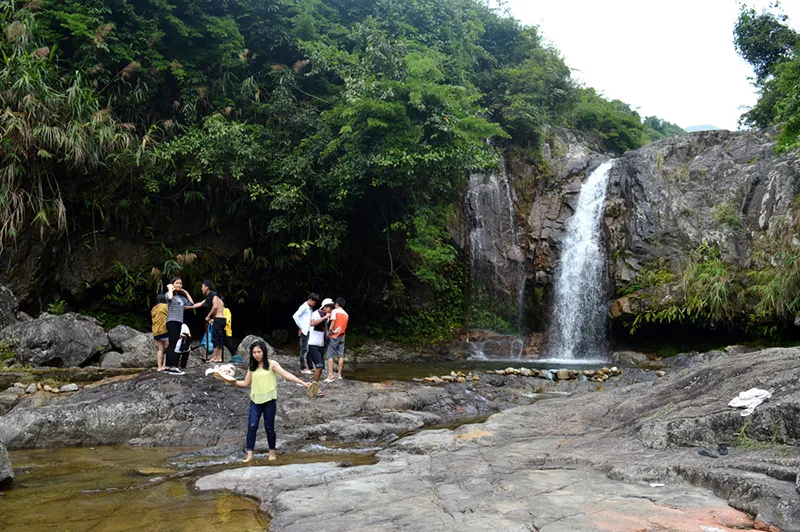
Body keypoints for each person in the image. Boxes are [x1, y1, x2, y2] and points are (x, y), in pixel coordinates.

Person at [227, 340, 310, 463]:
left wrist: (303, 383)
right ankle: (250, 454)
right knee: (252, 426)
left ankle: (272, 452)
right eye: (254, 352)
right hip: (255, 400)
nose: (256, 354)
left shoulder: (272, 364)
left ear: (264, 352)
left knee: (269, 427)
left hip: (269, 401)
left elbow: (286, 374)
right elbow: (245, 383)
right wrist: (231, 381)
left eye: (259, 352)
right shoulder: (252, 367)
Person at [188, 280, 226, 363]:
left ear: (207, 287)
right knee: (219, 338)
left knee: (216, 338)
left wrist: (208, 316)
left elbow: (215, 306)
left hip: (219, 319)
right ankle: (218, 357)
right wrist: (187, 307)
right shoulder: (211, 296)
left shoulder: (213, 295)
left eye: (202, 287)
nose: (201, 289)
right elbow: (200, 304)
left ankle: (216, 357)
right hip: (220, 319)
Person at [165, 277, 194, 375]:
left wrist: (186, 293)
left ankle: (168, 366)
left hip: (179, 322)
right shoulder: (169, 295)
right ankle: (172, 366)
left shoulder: (181, 298)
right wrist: (170, 288)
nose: (179, 285)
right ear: (173, 284)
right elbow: (169, 298)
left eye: (181, 283)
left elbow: (191, 304)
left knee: (172, 343)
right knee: (173, 344)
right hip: (172, 321)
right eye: (177, 283)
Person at [307, 298, 334, 397]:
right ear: (325, 307)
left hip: (321, 344)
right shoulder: (316, 313)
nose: (330, 311)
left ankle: (314, 385)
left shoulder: (326, 317)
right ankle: (314, 389)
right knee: (319, 366)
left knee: (320, 367)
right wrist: (325, 317)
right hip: (313, 344)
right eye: (329, 308)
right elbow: (312, 323)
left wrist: (330, 332)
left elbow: (324, 330)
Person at [292, 293, 320, 374]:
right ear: (310, 300)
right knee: (304, 350)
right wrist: (301, 327)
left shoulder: (309, 307)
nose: (314, 305)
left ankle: (310, 366)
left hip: (308, 330)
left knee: (309, 349)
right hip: (305, 331)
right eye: (314, 303)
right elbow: (295, 316)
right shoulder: (304, 307)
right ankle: (303, 368)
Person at [324, 297, 349, 382]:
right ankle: (339, 375)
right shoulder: (346, 314)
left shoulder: (335, 311)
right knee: (340, 355)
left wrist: (331, 331)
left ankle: (330, 375)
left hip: (335, 336)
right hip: (342, 336)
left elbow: (333, 322)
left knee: (330, 355)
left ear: (337, 304)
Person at [151, 293, 169, 371]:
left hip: (156, 332)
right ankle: (164, 366)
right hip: (164, 330)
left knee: (160, 350)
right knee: (169, 348)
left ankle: (159, 367)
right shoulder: (165, 306)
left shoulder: (154, 308)